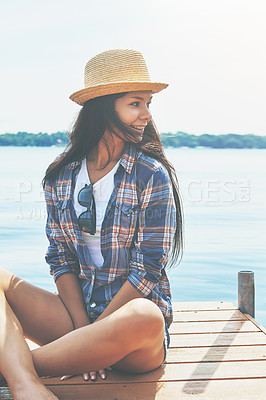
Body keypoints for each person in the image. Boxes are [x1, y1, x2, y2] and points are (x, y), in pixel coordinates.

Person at [0, 49, 183, 400]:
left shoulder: (151, 175)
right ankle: (26, 385)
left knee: (145, 315)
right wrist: (83, 334)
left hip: (132, 334)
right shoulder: (60, 176)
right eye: (135, 103)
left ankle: (18, 368)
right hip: (76, 317)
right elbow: (61, 258)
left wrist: (96, 335)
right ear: (104, 106)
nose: (146, 114)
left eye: (148, 104)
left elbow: (148, 270)